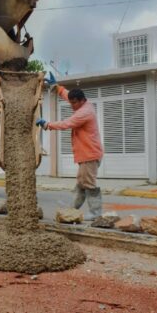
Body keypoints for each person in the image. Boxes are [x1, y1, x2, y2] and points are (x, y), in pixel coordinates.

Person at [36, 73, 104, 220]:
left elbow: (66, 123)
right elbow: (68, 95)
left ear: (81, 101)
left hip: (90, 154)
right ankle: (73, 208)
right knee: (81, 182)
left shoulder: (84, 113)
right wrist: (57, 87)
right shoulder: (83, 104)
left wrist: (47, 124)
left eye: (74, 103)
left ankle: (96, 212)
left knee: (89, 183)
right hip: (87, 153)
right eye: (71, 102)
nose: (71, 105)